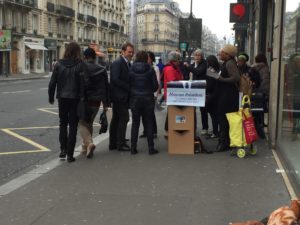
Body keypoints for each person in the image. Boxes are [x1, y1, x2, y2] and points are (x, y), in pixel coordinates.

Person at [48, 42, 84, 162]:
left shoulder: (58, 64)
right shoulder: (80, 64)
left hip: (62, 98)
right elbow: (83, 84)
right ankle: (70, 154)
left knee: (62, 123)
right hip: (75, 98)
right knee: (73, 125)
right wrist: (83, 98)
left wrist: (51, 96)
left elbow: (52, 82)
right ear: (77, 51)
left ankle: (63, 150)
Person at [78, 47, 110, 158]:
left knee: (81, 123)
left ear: (85, 57)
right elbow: (106, 87)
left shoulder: (81, 68)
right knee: (89, 123)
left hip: (84, 101)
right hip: (96, 102)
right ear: (95, 57)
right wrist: (106, 104)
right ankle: (85, 147)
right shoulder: (102, 69)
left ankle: (89, 143)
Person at [129, 51, 159, 155]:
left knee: (135, 123)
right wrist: (149, 90)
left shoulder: (131, 68)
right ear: (146, 58)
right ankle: (151, 148)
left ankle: (133, 148)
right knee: (149, 122)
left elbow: (128, 84)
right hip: (147, 99)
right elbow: (155, 86)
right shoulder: (150, 69)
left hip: (135, 99)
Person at [109, 42, 134, 151]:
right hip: (119, 96)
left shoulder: (127, 63)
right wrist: (128, 87)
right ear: (123, 52)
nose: (131, 54)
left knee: (116, 119)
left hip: (121, 96)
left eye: (132, 52)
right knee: (124, 118)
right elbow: (115, 79)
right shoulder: (118, 63)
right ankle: (120, 143)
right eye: (129, 52)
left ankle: (114, 142)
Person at [215, 44, 240, 152]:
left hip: (228, 96)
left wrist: (221, 79)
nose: (220, 53)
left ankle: (225, 143)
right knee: (224, 119)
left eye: (222, 52)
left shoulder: (230, 63)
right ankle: (225, 141)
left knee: (223, 119)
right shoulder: (227, 62)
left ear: (228, 54)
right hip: (226, 94)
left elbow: (235, 78)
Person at [185, 49, 209, 135]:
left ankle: (205, 128)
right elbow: (188, 72)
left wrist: (189, 67)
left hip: (202, 89)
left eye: (199, 55)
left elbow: (198, 72)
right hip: (193, 89)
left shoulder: (204, 64)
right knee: (192, 109)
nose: (197, 57)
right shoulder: (193, 64)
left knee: (203, 110)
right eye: (196, 55)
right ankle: (192, 126)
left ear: (202, 56)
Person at [139, 51, 160, 138]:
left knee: (151, 114)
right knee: (144, 114)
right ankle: (145, 131)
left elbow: (157, 82)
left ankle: (153, 131)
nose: (146, 59)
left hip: (152, 94)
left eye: (148, 57)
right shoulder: (144, 67)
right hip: (144, 95)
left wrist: (155, 95)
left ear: (151, 59)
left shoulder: (155, 68)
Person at [163, 51, 183, 136]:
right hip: (174, 95)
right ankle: (169, 130)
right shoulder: (170, 69)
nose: (180, 62)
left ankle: (170, 129)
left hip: (174, 95)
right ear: (175, 60)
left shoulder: (173, 67)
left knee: (172, 112)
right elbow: (173, 82)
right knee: (173, 112)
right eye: (179, 60)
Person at [206, 55, 220, 139]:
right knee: (216, 115)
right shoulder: (218, 69)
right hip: (217, 94)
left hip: (212, 95)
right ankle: (216, 131)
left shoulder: (210, 71)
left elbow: (210, 85)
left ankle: (215, 132)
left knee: (213, 115)